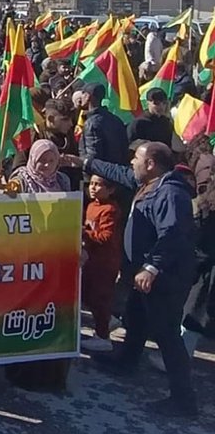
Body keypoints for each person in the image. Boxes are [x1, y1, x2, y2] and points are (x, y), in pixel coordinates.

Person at [81, 142, 199, 416]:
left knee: (166, 333)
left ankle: (183, 399)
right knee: (135, 316)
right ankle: (126, 360)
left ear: (151, 164)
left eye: (137, 158)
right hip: (141, 272)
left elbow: (172, 234)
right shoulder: (149, 183)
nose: (132, 162)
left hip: (164, 276)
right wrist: (85, 163)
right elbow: (121, 173)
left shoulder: (170, 193)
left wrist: (152, 267)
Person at [80, 175, 123, 353]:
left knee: (100, 299)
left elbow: (105, 236)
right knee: (87, 296)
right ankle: (107, 320)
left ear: (111, 189)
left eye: (99, 185)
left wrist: (83, 233)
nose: (93, 188)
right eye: (91, 184)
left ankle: (103, 336)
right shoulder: (91, 206)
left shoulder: (110, 210)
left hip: (105, 263)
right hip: (91, 261)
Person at [80, 83, 129, 165]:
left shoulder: (91, 123)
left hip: (100, 174)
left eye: (83, 93)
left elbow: (93, 158)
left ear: (88, 96)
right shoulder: (116, 119)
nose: (81, 97)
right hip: (118, 171)